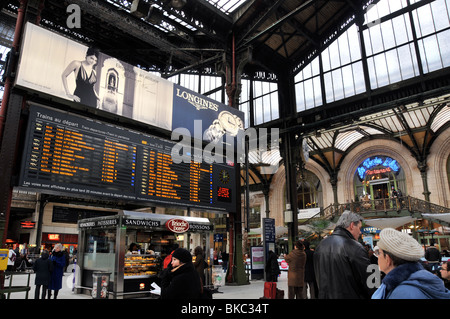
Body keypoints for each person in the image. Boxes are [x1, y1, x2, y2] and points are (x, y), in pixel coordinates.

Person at [372, 228, 450, 299]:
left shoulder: (401, 294)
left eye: (379, 252)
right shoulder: (422, 279)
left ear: (388, 259)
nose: (377, 256)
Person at [314, 210, 373, 299]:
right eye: (359, 228)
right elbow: (371, 283)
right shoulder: (355, 247)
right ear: (352, 225)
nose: (360, 232)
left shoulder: (320, 246)